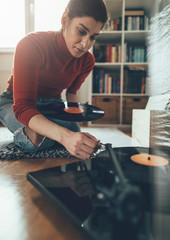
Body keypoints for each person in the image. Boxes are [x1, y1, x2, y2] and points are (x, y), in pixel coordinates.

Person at [0, 0, 108, 160]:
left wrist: (76, 112)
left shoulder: (87, 61)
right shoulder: (30, 44)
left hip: (53, 105)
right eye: (81, 31)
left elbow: (72, 92)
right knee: (35, 141)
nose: (86, 44)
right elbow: (23, 107)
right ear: (64, 20)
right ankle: (42, 132)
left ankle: (48, 129)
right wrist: (64, 136)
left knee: (76, 133)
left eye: (93, 37)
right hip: (14, 102)